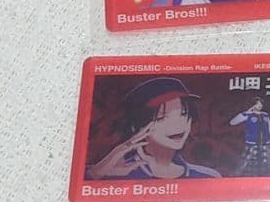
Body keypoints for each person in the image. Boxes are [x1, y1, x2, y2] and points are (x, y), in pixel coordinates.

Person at [86, 77, 220, 180]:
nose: (178, 124)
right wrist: (95, 173)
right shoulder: (113, 174)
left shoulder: (207, 177)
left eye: (184, 114)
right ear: (136, 126)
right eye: (162, 117)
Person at [229, 97, 270, 176]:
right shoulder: (247, 115)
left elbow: (269, 126)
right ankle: (236, 176)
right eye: (257, 104)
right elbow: (232, 122)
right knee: (245, 160)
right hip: (252, 142)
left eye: (261, 104)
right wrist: (246, 112)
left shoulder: (265, 115)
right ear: (253, 105)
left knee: (269, 160)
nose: (260, 105)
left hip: (265, 141)